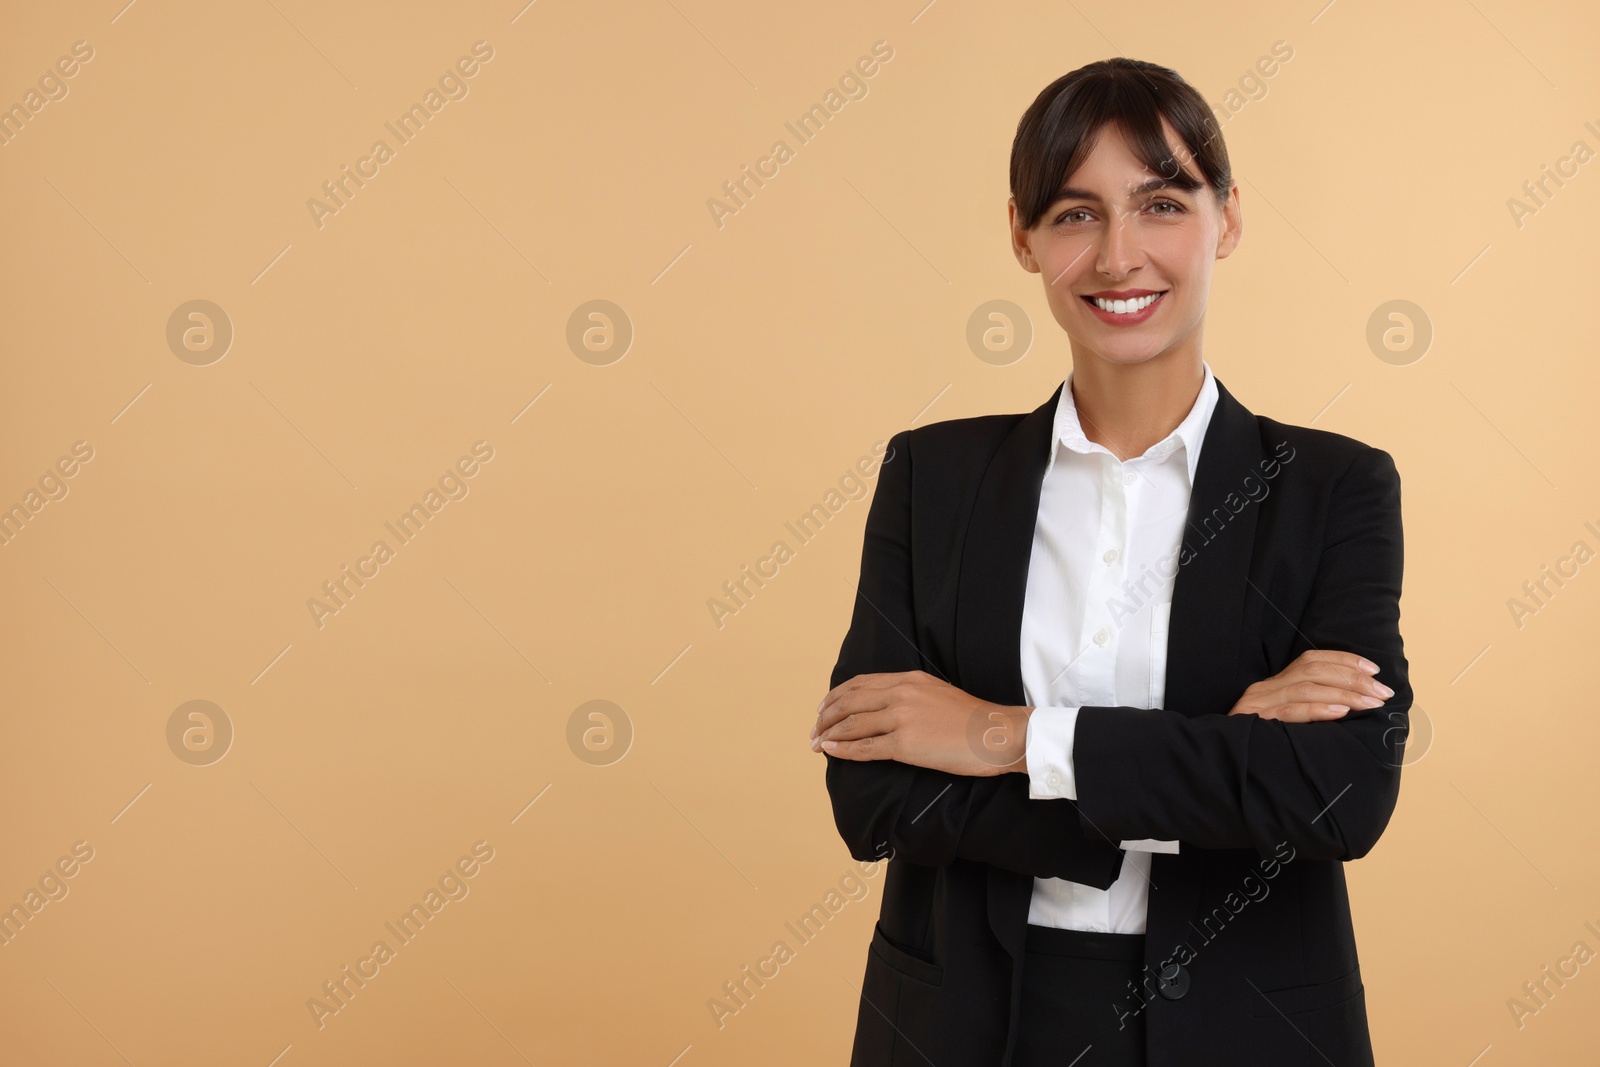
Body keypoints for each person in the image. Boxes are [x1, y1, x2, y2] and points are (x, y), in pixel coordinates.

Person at [810, 57, 1409, 1066]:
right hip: (964, 1018)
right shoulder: (935, 476)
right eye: (1076, 214)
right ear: (1022, 235)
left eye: (1161, 203)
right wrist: (1211, 756)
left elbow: (1338, 795)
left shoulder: (1331, 488)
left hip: (1251, 1022)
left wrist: (998, 734)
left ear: (1225, 218)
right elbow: (872, 796)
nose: (1119, 255)